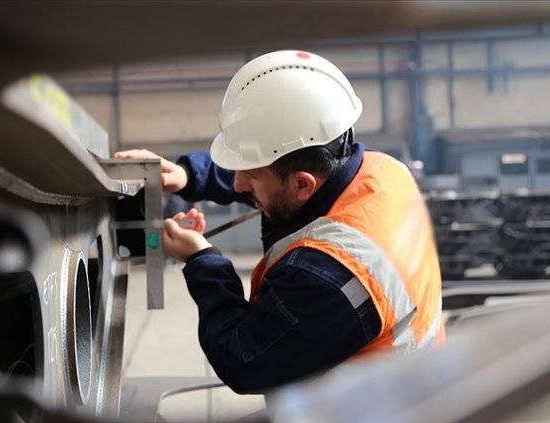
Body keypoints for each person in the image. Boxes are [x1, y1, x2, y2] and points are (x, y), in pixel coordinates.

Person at [115, 50, 443, 394]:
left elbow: (242, 361)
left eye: (251, 176)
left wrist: (203, 261)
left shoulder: (330, 277)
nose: (238, 184)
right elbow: (275, 179)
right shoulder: (382, 171)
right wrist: (187, 175)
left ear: (303, 184)